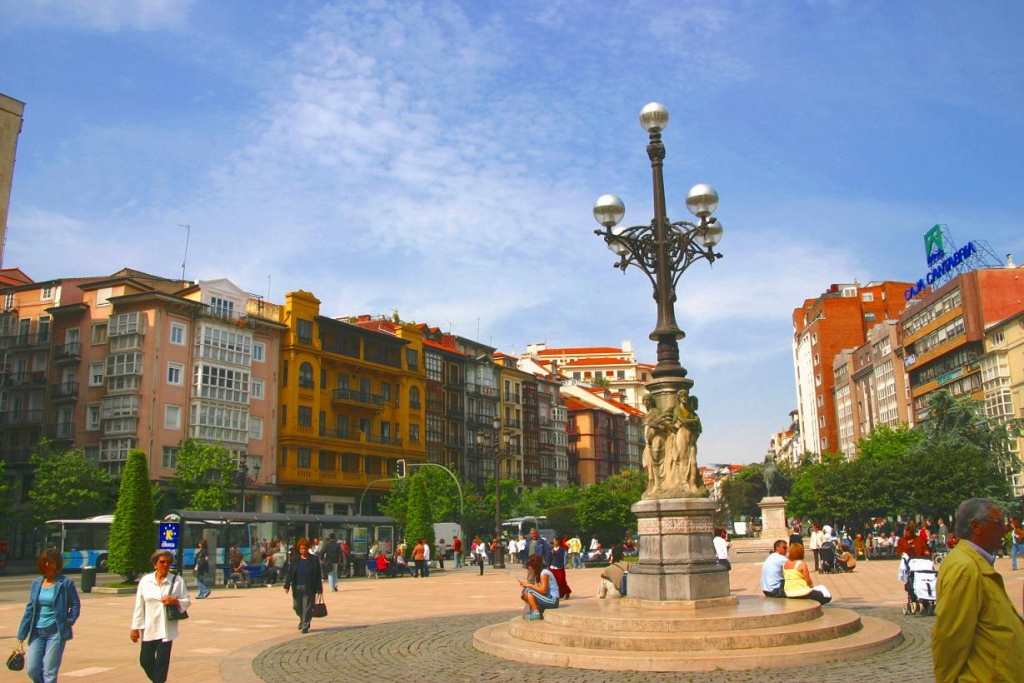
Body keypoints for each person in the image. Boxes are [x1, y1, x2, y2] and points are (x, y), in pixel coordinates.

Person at [932, 498, 1024, 681]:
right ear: (976, 526)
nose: (1005, 529)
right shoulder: (965, 568)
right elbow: (951, 638)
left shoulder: (973, 562)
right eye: (998, 523)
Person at [16, 548, 81, 683]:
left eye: (50, 562)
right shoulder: (36, 583)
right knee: (32, 669)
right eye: (44, 562)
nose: (47, 565)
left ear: (57, 564)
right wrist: (22, 633)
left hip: (56, 632)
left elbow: (75, 604)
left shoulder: (65, 583)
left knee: (49, 671)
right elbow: (30, 609)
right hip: (37, 632)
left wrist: (69, 620)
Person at [130, 550, 191, 683]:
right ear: (155, 564)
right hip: (149, 629)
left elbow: (187, 601)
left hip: (166, 630)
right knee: (145, 660)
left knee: (162, 665)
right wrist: (135, 628)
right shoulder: (146, 581)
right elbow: (139, 606)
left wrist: (175, 601)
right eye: (162, 562)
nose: (165, 565)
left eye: (168, 562)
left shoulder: (177, 581)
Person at [283, 537, 323, 634]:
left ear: (308, 548)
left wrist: (319, 588)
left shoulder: (314, 560)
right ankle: (303, 619)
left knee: (307, 607)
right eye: (301, 549)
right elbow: (290, 572)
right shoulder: (296, 560)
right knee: (297, 606)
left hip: (309, 587)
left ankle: (305, 625)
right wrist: (287, 585)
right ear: (299, 549)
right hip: (297, 586)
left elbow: (318, 574)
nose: (303, 550)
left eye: (305, 548)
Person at [519, 554, 559, 620]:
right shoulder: (540, 573)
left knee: (528, 590)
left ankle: (536, 613)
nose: (530, 568)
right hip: (547, 597)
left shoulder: (544, 573)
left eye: (530, 566)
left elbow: (543, 590)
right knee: (525, 591)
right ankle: (535, 609)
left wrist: (529, 585)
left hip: (552, 600)